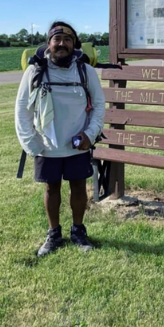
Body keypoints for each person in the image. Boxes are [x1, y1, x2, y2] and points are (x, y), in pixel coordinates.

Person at [15, 21, 105, 257]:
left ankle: (78, 231)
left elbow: (98, 106)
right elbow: (22, 108)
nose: (62, 44)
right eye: (57, 39)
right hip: (46, 145)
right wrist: (31, 143)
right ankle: (54, 233)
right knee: (51, 187)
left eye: (67, 40)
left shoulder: (87, 72)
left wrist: (90, 134)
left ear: (74, 44)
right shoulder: (34, 71)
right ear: (49, 43)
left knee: (78, 186)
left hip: (78, 143)